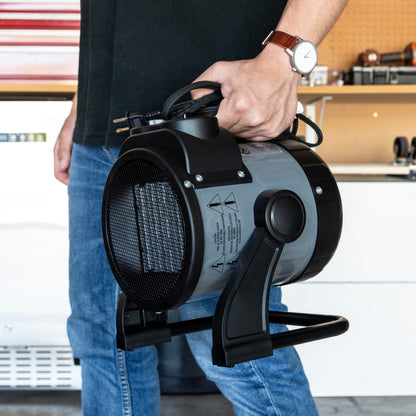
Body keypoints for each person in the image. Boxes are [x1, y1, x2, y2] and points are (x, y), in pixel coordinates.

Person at [54, 1, 348, 414]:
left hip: (212, 119)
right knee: (103, 336)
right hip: (101, 128)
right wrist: (82, 102)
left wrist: (284, 57)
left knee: (235, 342)